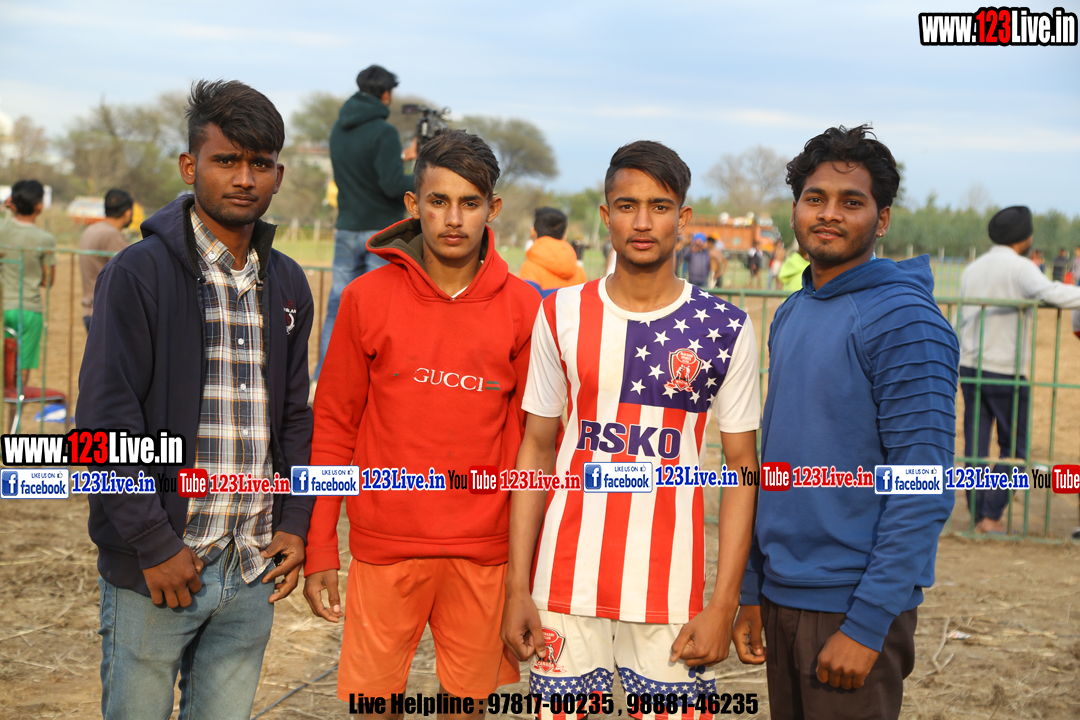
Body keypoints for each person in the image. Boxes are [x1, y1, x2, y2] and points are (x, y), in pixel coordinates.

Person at [77, 80, 315, 720]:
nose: (244, 178)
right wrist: (153, 543)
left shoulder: (287, 282)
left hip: (250, 564)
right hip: (160, 567)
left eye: (259, 163)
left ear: (278, 174)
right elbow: (103, 424)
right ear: (190, 166)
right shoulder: (138, 274)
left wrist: (295, 521)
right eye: (226, 160)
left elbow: (294, 416)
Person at [502, 140, 761, 713]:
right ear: (606, 215)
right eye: (627, 206)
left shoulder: (725, 327)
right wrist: (518, 586)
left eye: (659, 206)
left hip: (671, 591)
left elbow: (743, 470)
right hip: (564, 585)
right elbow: (536, 451)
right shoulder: (559, 313)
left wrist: (723, 603)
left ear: (683, 218)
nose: (642, 222)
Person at [302, 129, 539, 710]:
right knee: (373, 704)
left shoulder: (524, 307)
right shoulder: (365, 298)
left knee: (467, 704)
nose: (453, 219)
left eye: (470, 202)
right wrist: (320, 544)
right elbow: (334, 424)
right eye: (438, 201)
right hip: (384, 548)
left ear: (493, 209)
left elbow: (532, 445)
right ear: (413, 205)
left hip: (484, 551)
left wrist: (524, 570)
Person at [732, 125, 959, 720]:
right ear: (796, 209)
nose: (829, 214)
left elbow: (924, 484)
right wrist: (753, 589)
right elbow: (778, 462)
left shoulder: (905, 319)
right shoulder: (795, 309)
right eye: (815, 198)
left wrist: (867, 623)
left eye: (851, 202)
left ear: (881, 220)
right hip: (783, 592)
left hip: (850, 604)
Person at [956, 206, 1080, 533]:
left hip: (970, 366)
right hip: (1004, 371)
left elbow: (961, 316)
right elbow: (1052, 292)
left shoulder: (973, 268)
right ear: (1024, 238)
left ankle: (977, 511)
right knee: (1015, 449)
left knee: (975, 445)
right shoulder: (1021, 267)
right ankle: (990, 514)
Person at [315, 64, 418, 383]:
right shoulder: (384, 132)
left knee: (337, 306)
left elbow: (362, 170)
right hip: (380, 231)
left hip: (347, 227)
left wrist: (401, 157)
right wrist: (424, 177)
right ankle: (371, 381)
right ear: (386, 94)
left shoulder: (338, 129)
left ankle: (323, 379)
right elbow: (390, 185)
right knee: (378, 308)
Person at [1, 179, 55, 396]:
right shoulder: (45, 239)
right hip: (29, 310)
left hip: (3, 306)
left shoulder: (2, 229)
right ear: (39, 206)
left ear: (12, 202)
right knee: (20, 373)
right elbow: (48, 281)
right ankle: (15, 414)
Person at [78, 188, 133, 332]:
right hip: (105, 314)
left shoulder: (91, 230)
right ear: (128, 212)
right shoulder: (112, 236)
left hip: (90, 311)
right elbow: (131, 274)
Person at [519, 206, 586, 293]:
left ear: (533, 231)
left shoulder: (530, 268)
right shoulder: (579, 272)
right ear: (564, 236)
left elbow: (527, 300)